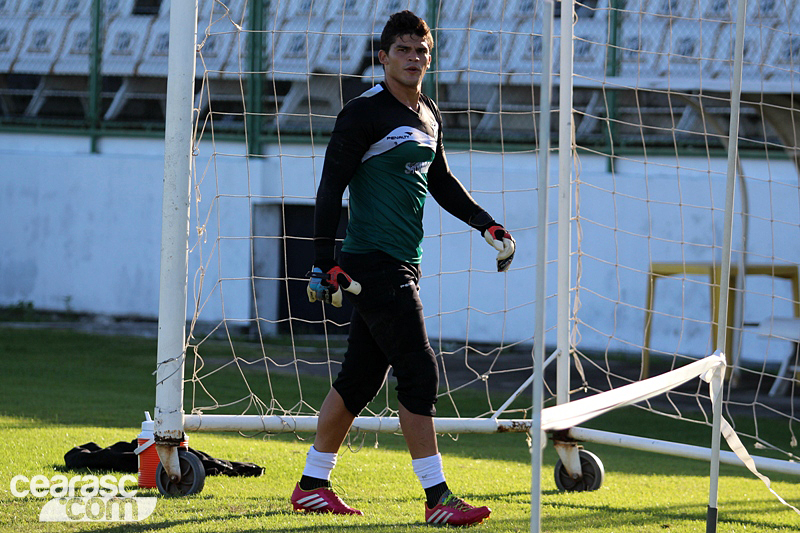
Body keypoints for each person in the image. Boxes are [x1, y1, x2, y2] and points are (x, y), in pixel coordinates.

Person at [290, 10, 515, 527]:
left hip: (404, 263)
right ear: (383, 56)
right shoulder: (362, 113)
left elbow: (441, 180)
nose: (414, 58)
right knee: (418, 369)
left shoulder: (429, 112)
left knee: (359, 379)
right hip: (372, 263)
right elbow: (329, 188)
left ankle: (312, 486)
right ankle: (438, 498)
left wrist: (486, 224)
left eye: (422, 51)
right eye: (404, 50)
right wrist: (322, 262)